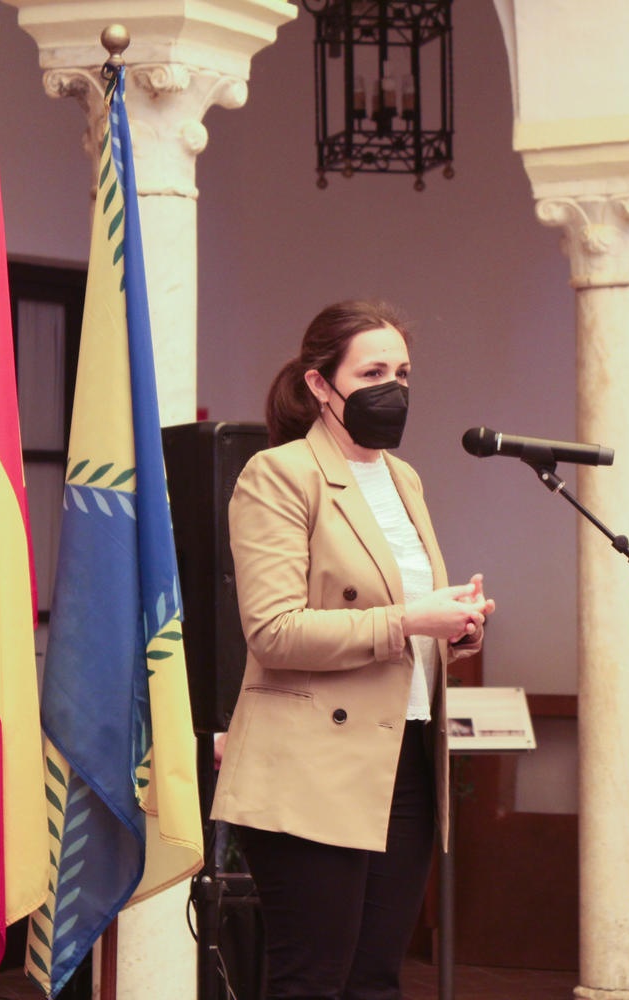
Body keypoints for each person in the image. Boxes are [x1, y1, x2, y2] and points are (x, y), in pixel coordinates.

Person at [210, 299, 495, 1000]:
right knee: (311, 982)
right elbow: (274, 631)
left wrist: (457, 628)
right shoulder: (278, 474)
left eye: (403, 372)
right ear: (319, 384)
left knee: (375, 981)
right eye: (372, 373)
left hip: (407, 755)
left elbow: (404, 615)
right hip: (314, 763)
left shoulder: (404, 479)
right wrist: (409, 619)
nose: (392, 388)